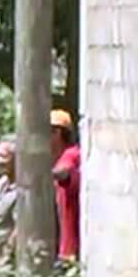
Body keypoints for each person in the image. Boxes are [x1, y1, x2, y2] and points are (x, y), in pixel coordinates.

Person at [51, 110, 81, 260]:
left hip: (72, 249)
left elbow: (65, 172)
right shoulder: (60, 158)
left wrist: (41, 173)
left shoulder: (70, 155)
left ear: (57, 133)